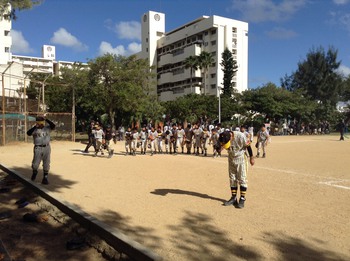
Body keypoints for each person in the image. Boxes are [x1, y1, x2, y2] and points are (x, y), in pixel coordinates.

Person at [220, 130, 254, 208]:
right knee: (232, 178)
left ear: (231, 136)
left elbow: (248, 146)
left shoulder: (241, 136)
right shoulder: (222, 136)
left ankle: (242, 198)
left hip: (241, 158)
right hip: (231, 158)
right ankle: (233, 198)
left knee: (242, 178)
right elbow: (222, 144)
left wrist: (251, 157)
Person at [26, 115, 56, 185]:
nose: (40, 124)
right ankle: (35, 171)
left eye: (41, 122)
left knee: (46, 163)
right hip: (38, 148)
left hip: (47, 147)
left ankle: (45, 178)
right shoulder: (34, 130)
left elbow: (53, 126)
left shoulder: (47, 128)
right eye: (39, 122)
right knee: (35, 164)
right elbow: (28, 133)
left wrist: (46, 119)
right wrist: (35, 127)